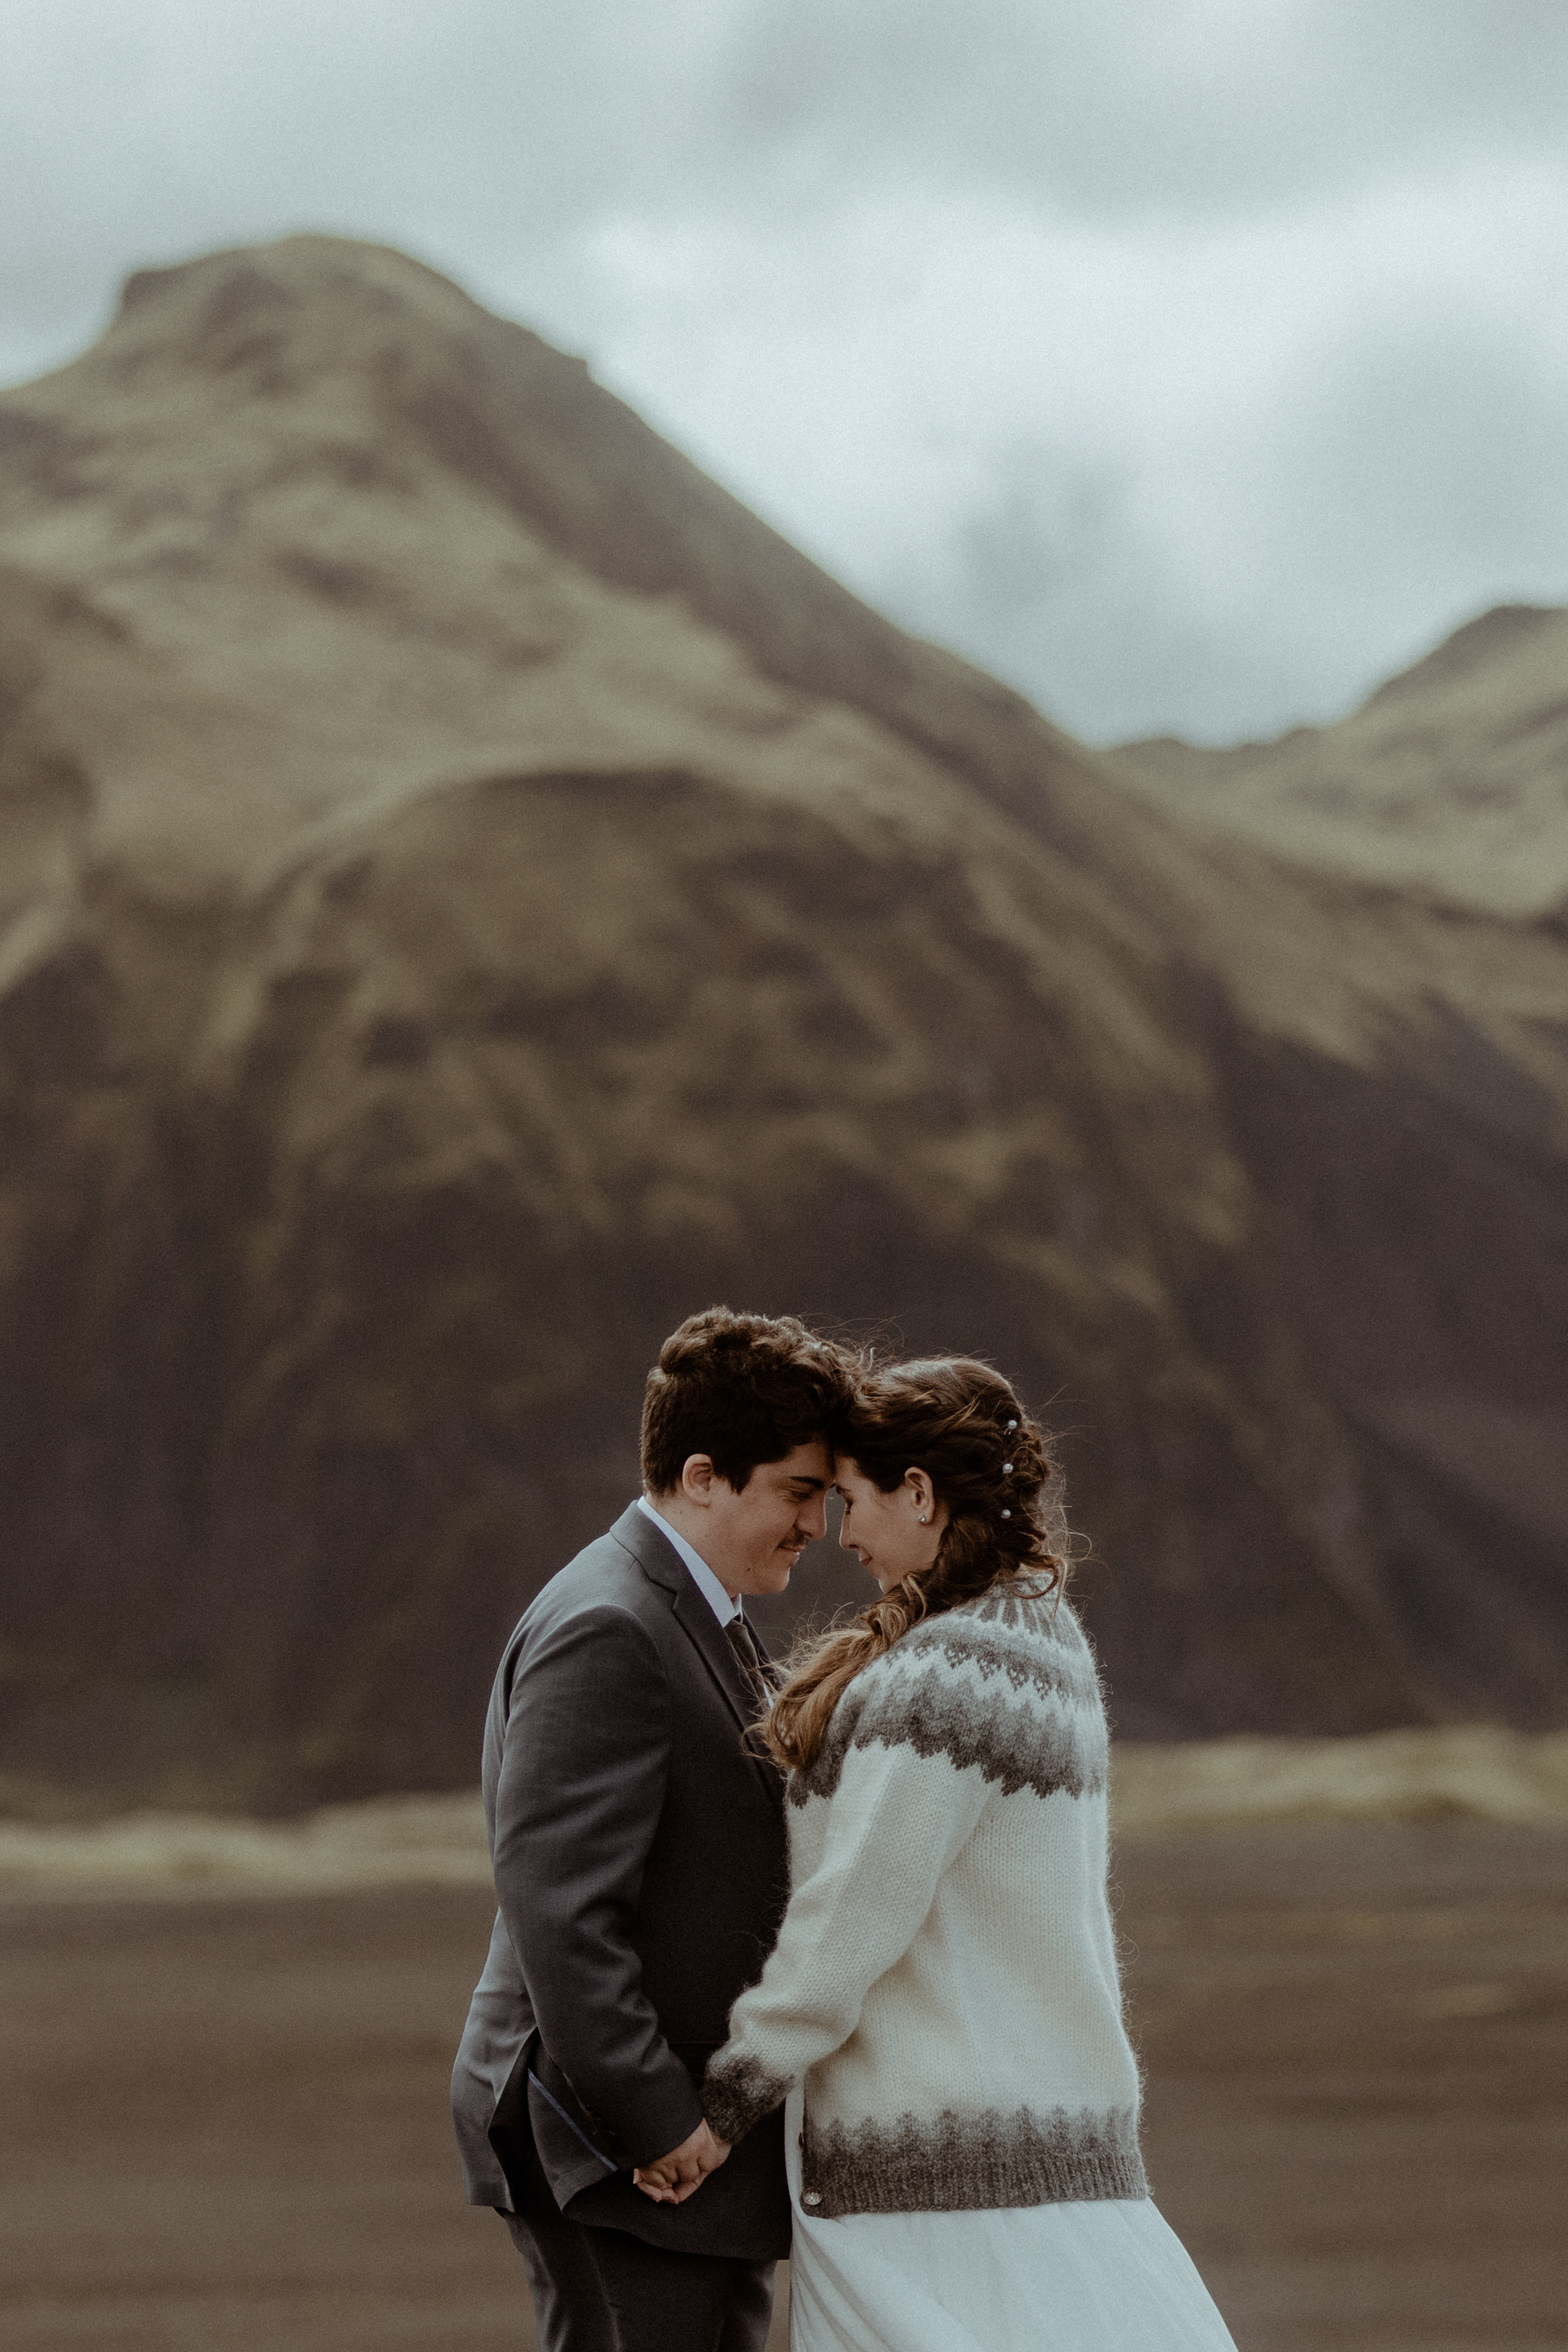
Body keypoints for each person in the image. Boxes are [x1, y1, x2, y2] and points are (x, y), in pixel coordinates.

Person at [639, 1355, 1237, 2351]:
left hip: (929, 2188)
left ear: (919, 1494)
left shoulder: (942, 1678)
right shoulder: (1047, 1640)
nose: (843, 1534)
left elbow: (852, 1920)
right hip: (1059, 2156)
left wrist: (728, 2101)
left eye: (853, 1500)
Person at [451, 1306, 852, 2352]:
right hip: (616, 2155)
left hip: (681, 2169)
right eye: (799, 1493)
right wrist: (661, 2122)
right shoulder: (610, 1627)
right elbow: (564, 1913)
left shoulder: (693, 1610)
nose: (818, 1526)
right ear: (705, 1475)